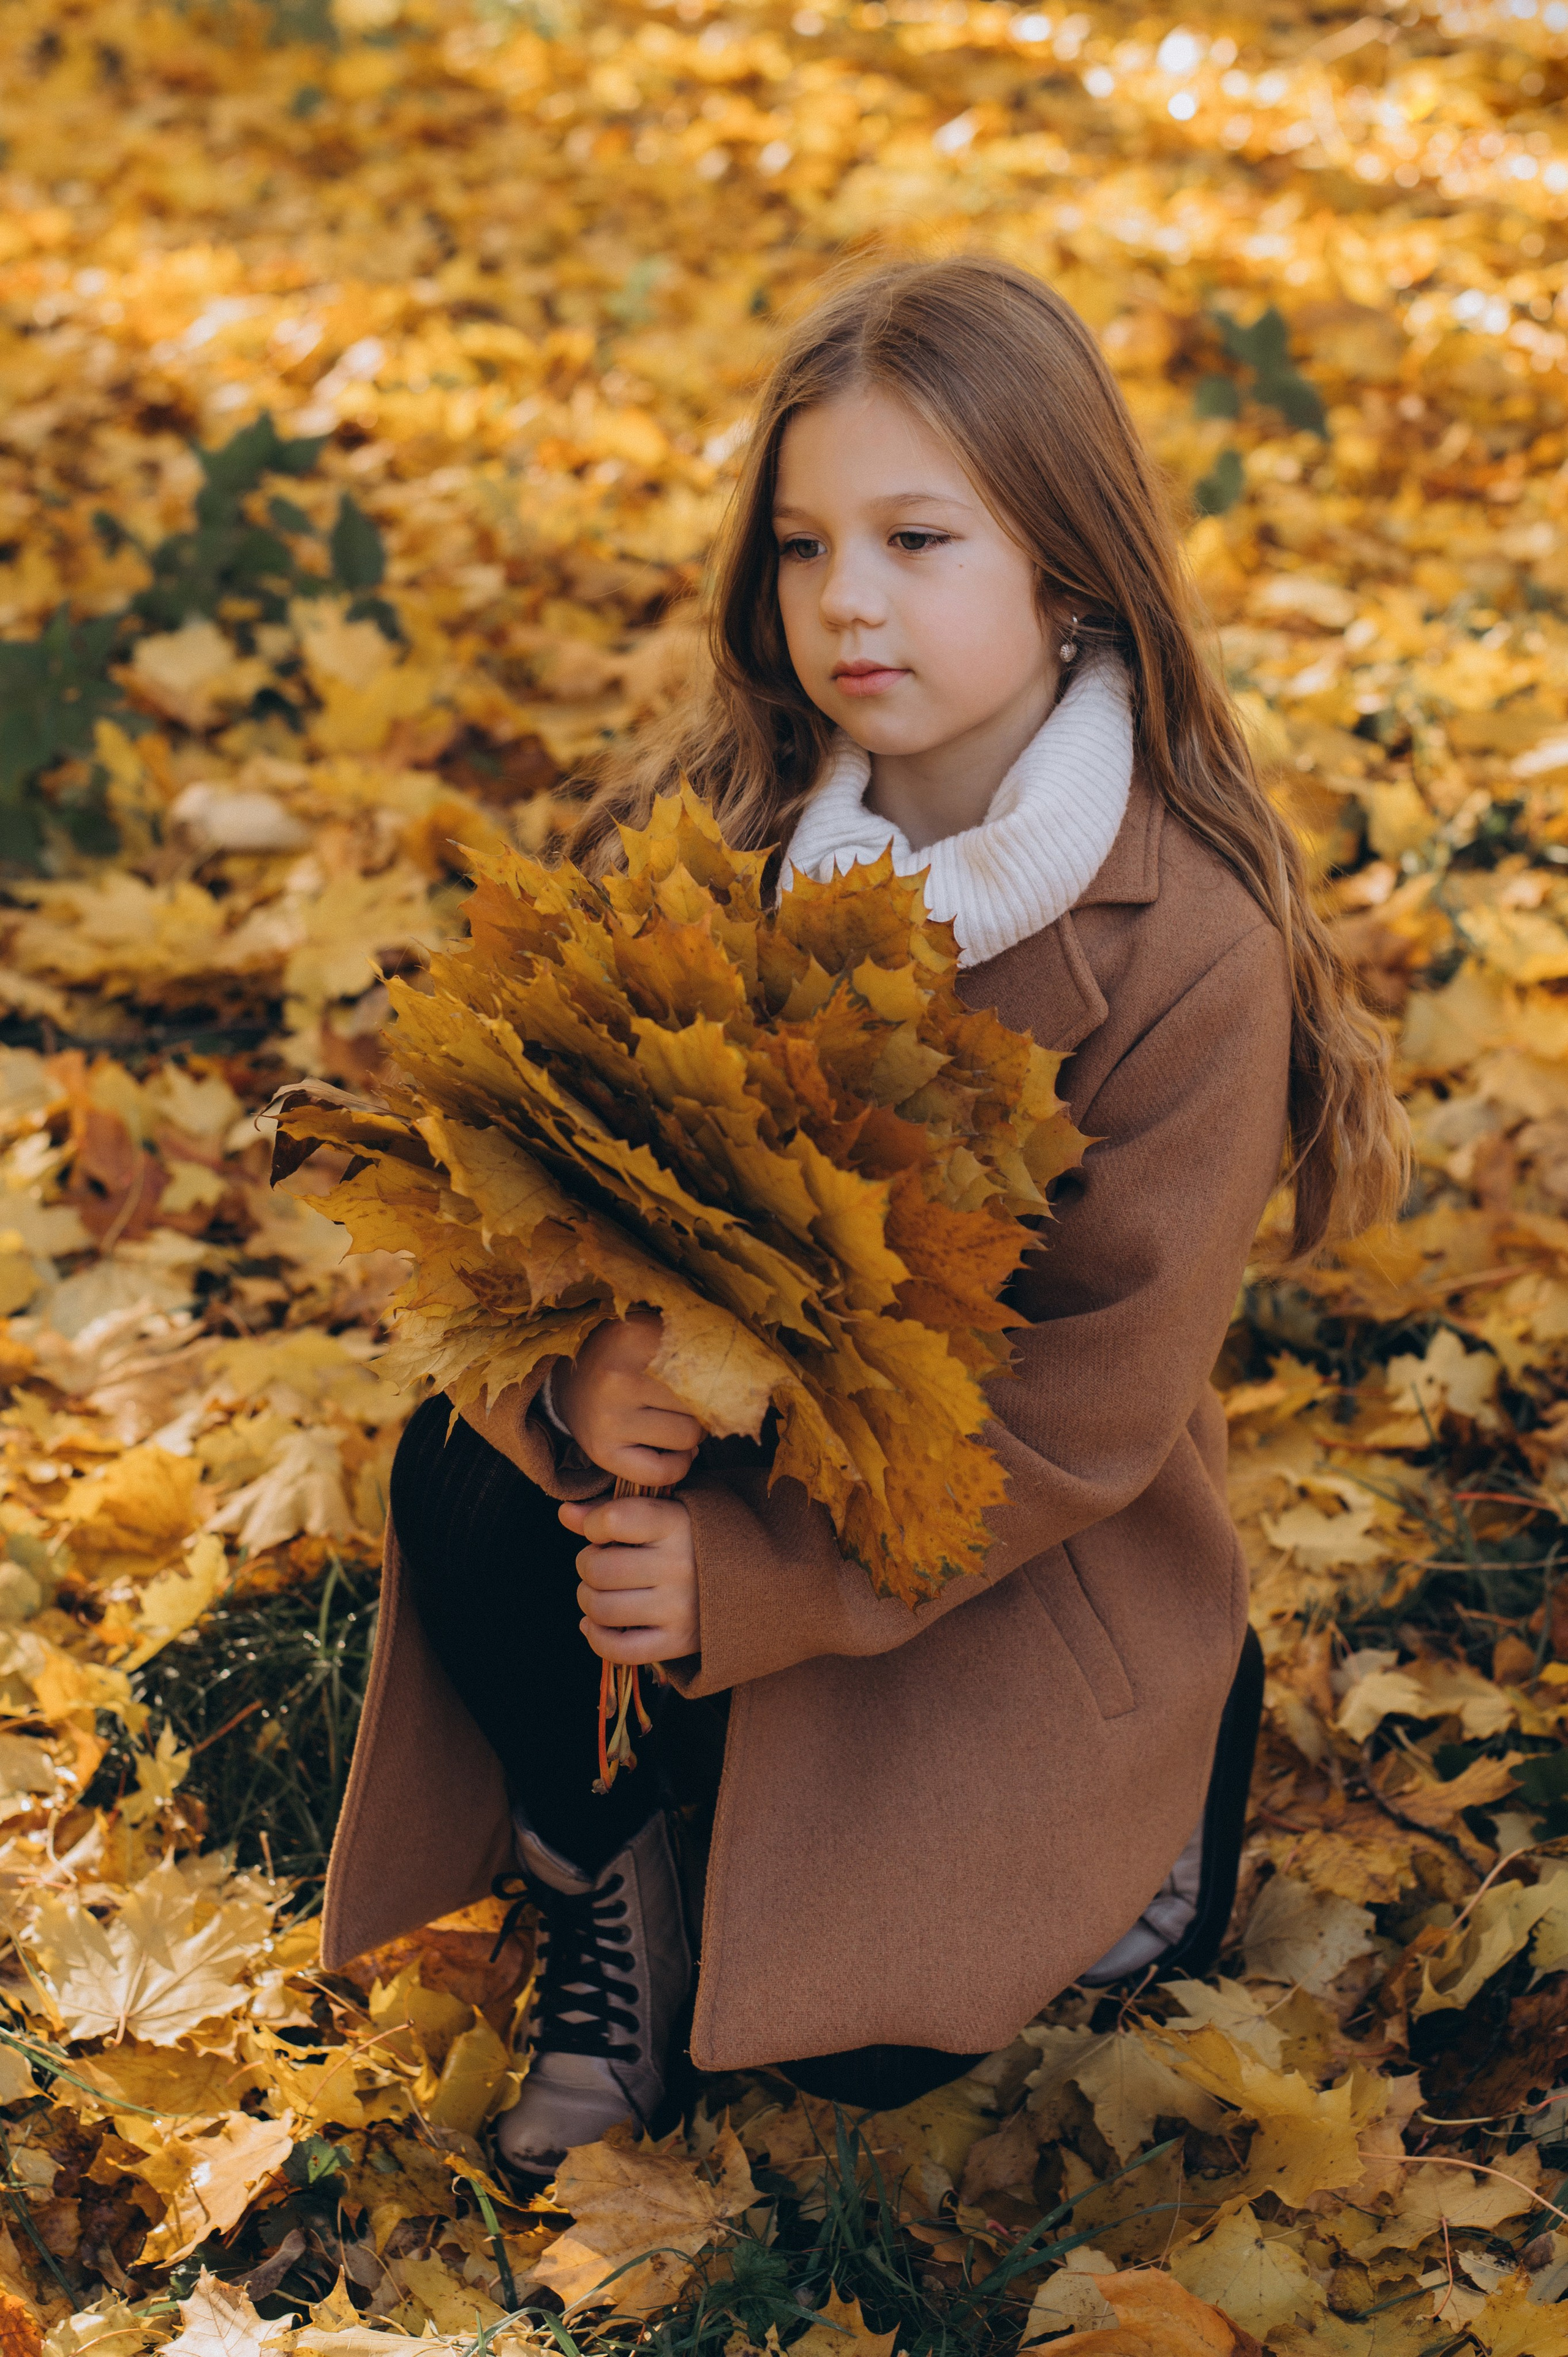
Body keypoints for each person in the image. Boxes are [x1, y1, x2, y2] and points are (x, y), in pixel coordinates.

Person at [318, 256, 1408, 2183]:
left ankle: (1130, 1814)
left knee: (871, 2060)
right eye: (808, 545)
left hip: (987, 1555)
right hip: (699, 1474)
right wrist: (587, 1383)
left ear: (1065, 561)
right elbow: (505, 1211)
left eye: (918, 539)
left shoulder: (1192, 946)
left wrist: (764, 1590)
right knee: (470, 1489)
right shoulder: (713, 828)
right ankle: (613, 1885)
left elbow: (1082, 1415)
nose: (850, 603)